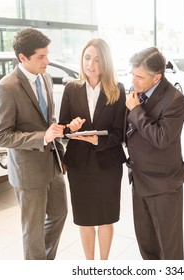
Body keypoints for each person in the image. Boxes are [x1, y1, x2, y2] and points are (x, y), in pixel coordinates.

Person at [0, 28, 67, 260]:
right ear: (22, 58)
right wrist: (42, 137)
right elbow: (1, 136)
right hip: (28, 171)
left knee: (59, 213)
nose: (47, 61)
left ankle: (43, 260)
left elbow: (47, 119)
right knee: (32, 231)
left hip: (52, 164)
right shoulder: (5, 88)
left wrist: (58, 146)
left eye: (47, 54)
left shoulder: (44, 78)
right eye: (41, 57)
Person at [59, 38, 127, 260]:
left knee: (106, 218)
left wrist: (96, 141)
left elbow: (120, 133)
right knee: (85, 219)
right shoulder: (71, 88)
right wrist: (72, 127)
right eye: (87, 58)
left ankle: (103, 265)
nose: (91, 64)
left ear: (105, 62)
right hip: (79, 165)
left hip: (108, 164)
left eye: (97, 59)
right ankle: (90, 265)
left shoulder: (117, 90)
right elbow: (63, 128)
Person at [125, 47, 184, 260]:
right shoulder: (135, 92)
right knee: (146, 243)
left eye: (139, 77)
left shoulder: (175, 100)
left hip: (163, 184)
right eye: (132, 75)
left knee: (169, 248)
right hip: (139, 179)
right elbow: (127, 131)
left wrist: (136, 110)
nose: (134, 81)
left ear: (157, 77)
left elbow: (161, 138)